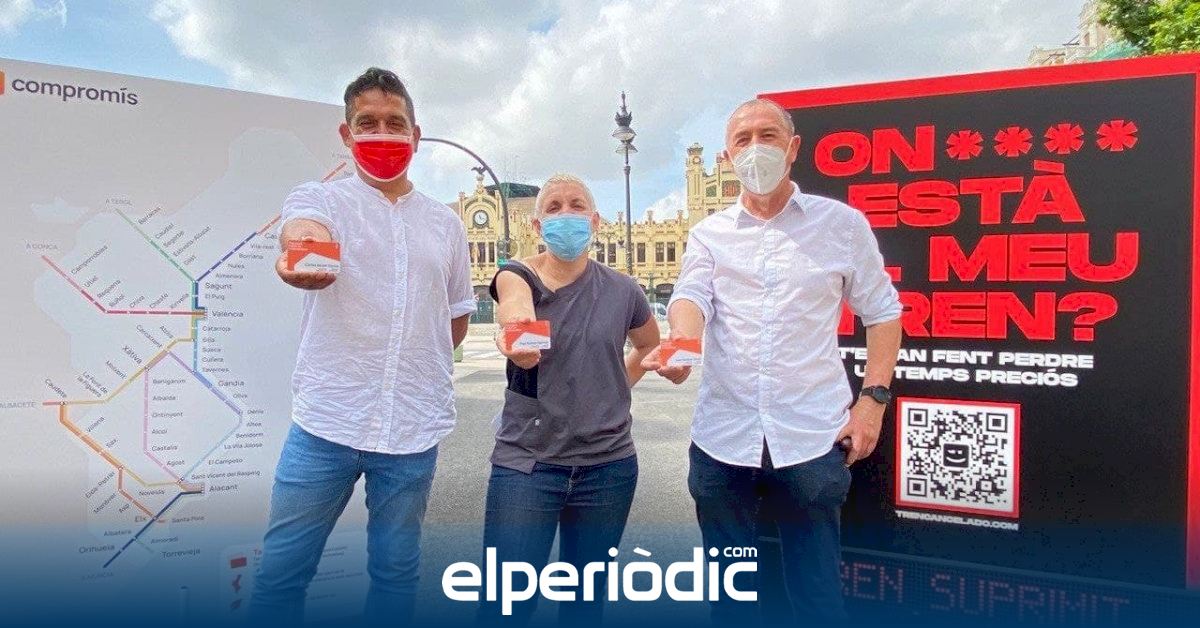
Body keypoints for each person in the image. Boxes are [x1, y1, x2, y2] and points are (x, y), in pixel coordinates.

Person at [643, 99, 903, 624]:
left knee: (816, 596)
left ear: (793, 148)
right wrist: (683, 343)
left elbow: (883, 312)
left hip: (811, 438)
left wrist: (872, 403)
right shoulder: (708, 233)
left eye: (768, 135)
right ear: (726, 156)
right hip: (723, 440)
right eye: (742, 140)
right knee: (731, 598)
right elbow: (691, 296)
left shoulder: (841, 225)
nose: (755, 149)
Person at [248, 67, 476, 624]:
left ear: (415, 135)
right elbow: (302, 228)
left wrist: (417, 364)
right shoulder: (323, 199)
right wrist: (302, 250)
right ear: (346, 134)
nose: (382, 134)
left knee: (396, 575)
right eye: (367, 123)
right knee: (283, 572)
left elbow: (455, 318)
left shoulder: (445, 225)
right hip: (326, 425)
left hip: (412, 432)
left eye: (394, 123)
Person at [479, 174, 661, 625]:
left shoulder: (624, 290)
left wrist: (613, 388)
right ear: (537, 226)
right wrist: (518, 335)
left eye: (576, 205)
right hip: (528, 464)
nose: (566, 214)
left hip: (608, 467)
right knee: (506, 605)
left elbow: (648, 346)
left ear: (595, 221)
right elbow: (515, 306)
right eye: (554, 207)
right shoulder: (517, 274)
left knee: (584, 603)